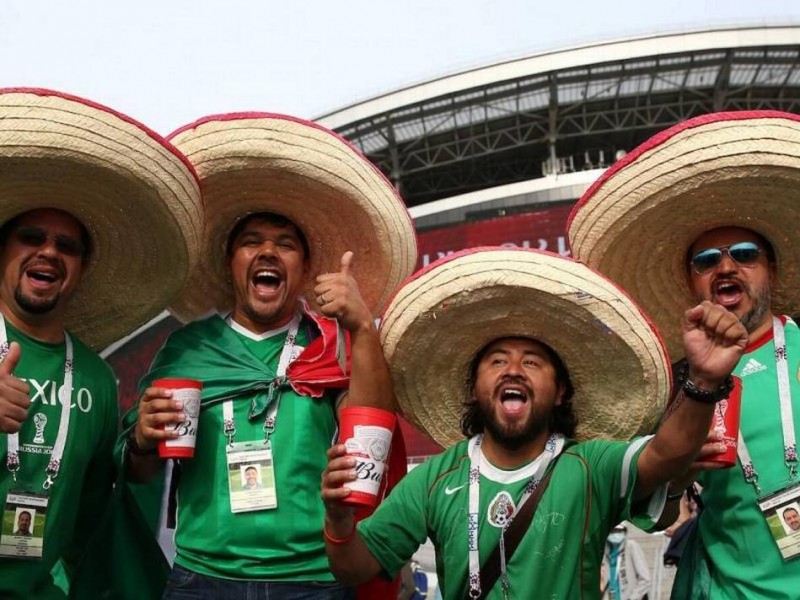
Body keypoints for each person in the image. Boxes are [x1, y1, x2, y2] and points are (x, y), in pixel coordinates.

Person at [321, 247, 746, 599]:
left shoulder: (587, 466)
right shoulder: (435, 479)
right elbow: (355, 568)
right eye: (497, 360)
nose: (513, 370)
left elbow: (666, 456)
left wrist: (704, 381)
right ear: (474, 388)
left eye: (533, 362)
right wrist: (339, 523)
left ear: (560, 391)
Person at [123, 113, 416, 598]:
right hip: (202, 580)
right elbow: (141, 471)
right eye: (251, 242)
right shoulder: (188, 350)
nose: (268, 253)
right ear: (229, 262)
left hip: (314, 579)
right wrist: (140, 438)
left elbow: (373, 437)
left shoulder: (333, 343)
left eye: (285, 245)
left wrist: (362, 326)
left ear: (303, 271)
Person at [568, 111, 800, 598]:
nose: (727, 266)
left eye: (744, 253)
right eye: (707, 260)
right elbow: (660, 517)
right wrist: (681, 470)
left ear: (772, 272)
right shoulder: (680, 385)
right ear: (691, 282)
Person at [0, 89, 201, 599]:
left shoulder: (94, 378)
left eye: (67, 246)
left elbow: (97, 508)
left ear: (81, 270)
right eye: (32, 236)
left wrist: (142, 447)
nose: (49, 251)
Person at [600, 524, 650, 600]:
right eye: (612, 531)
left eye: (618, 531)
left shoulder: (631, 546)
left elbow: (645, 578)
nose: (615, 534)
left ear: (624, 531)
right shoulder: (604, 551)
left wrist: (633, 597)